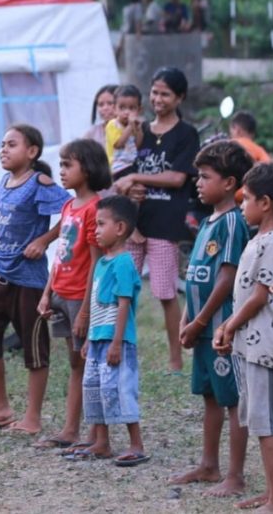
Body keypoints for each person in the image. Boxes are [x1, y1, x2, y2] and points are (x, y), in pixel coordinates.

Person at [169, 141, 253, 496]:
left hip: (221, 329)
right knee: (209, 396)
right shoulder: (206, 222)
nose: (198, 183)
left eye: (205, 177)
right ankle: (208, 464)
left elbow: (227, 277)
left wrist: (202, 321)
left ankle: (234, 476)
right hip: (201, 327)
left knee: (232, 400)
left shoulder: (233, 222)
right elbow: (196, 275)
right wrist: (186, 318)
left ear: (231, 183)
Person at [0, 124, 70, 434]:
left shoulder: (39, 182)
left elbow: (70, 210)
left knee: (34, 346)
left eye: (11, 144)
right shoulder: (4, 181)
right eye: (2, 144)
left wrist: (44, 240)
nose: (3, 149)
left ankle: (32, 418)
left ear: (32, 152)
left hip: (28, 279)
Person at [212, 162, 273, 513]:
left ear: (266, 203)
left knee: (264, 423)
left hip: (261, 346)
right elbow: (247, 296)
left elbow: (260, 296)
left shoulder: (272, 242)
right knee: (259, 421)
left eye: (245, 200)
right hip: (250, 343)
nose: (241, 206)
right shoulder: (258, 239)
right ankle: (271, 492)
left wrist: (229, 325)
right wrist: (229, 325)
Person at [113, 67, 199, 372]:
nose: (157, 99)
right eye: (154, 92)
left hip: (164, 224)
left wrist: (138, 176)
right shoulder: (140, 130)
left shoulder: (187, 134)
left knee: (164, 292)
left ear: (179, 98)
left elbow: (177, 178)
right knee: (124, 290)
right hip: (133, 224)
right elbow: (119, 162)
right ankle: (118, 351)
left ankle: (175, 359)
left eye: (165, 93)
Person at [35, 138, 111, 450]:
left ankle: (92, 434)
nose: (61, 171)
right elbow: (61, 254)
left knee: (87, 363)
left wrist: (85, 311)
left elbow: (96, 261)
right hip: (61, 294)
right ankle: (71, 430)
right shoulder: (68, 206)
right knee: (76, 363)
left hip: (81, 297)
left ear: (89, 169)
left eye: (68, 165)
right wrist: (46, 293)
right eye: (61, 164)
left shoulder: (95, 209)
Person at [69, 194, 148, 467]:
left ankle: (136, 444)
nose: (96, 230)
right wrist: (91, 338)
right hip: (98, 339)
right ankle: (101, 442)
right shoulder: (102, 263)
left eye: (101, 224)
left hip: (117, 340)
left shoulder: (124, 263)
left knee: (121, 389)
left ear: (121, 228)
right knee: (94, 388)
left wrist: (116, 343)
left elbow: (123, 305)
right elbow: (94, 302)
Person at [105, 84, 143, 177]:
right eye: (122, 108)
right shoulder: (113, 124)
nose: (127, 112)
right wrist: (130, 126)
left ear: (139, 110)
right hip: (118, 166)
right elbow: (118, 144)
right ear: (114, 109)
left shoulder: (134, 125)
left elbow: (138, 145)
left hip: (132, 163)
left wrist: (138, 129)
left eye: (132, 108)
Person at [84, 84, 118, 150]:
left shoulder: (129, 128)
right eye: (101, 105)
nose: (105, 108)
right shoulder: (92, 133)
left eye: (110, 103)